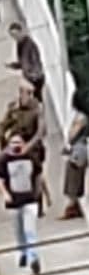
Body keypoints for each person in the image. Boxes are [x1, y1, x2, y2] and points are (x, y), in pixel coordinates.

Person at [0, 79, 47, 198]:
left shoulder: (37, 109)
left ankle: (37, 198)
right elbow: (3, 124)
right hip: (14, 143)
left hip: (31, 145)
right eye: (24, 93)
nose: (27, 97)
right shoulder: (13, 107)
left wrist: (28, 147)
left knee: (36, 170)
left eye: (29, 94)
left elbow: (40, 132)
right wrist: (0, 138)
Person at [0, 133, 44, 274]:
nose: (16, 145)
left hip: (30, 200)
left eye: (19, 142)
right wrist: (5, 194)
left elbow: (38, 176)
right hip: (14, 202)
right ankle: (23, 253)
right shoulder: (3, 160)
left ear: (24, 144)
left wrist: (40, 194)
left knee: (30, 230)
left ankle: (33, 258)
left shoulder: (31, 158)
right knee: (19, 231)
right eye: (13, 142)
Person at [61, 91, 89, 219]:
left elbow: (72, 136)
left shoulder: (81, 117)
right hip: (82, 145)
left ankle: (73, 202)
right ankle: (73, 201)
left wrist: (68, 144)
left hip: (82, 145)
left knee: (74, 164)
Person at [6, 22, 45, 103]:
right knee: (27, 100)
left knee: (34, 100)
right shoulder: (19, 44)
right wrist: (13, 65)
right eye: (12, 35)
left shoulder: (29, 45)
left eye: (15, 34)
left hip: (35, 78)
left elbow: (35, 61)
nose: (14, 37)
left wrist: (34, 74)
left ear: (21, 32)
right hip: (29, 77)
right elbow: (23, 63)